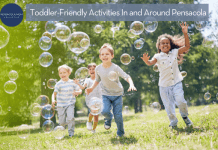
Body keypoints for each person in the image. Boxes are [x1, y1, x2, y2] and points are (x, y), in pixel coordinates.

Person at [141, 22, 193, 129]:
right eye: (162, 43)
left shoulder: (174, 52)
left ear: (170, 45)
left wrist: (185, 33)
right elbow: (151, 62)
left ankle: (185, 116)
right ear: (159, 46)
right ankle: (173, 122)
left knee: (181, 100)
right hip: (164, 86)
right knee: (169, 106)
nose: (165, 44)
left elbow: (187, 46)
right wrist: (147, 61)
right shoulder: (158, 56)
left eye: (167, 43)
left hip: (176, 82)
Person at [86, 43, 137, 137]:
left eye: (107, 54)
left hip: (117, 94)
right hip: (105, 94)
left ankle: (120, 133)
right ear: (100, 56)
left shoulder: (115, 67)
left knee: (118, 116)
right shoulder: (98, 68)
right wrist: (91, 88)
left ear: (112, 56)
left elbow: (126, 76)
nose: (105, 56)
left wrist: (131, 84)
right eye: (102, 54)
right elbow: (97, 80)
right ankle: (108, 118)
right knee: (104, 111)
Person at [52, 64, 82, 137]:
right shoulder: (58, 84)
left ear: (69, 73)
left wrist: (77, 92)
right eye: (60, 73)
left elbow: (80, 90)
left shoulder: (72, 82)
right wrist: (53, 99)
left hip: (70, 104)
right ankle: (62, 132)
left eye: (64, 72)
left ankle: (71, 133)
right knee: (61, 122)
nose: (62, 74)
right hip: (60, 105)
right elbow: (54, 93)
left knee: (70, 118)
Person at [74, 63, 102, 134]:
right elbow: (83, 87)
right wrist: (78, 84)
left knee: (96, 116)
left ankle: (94, 129)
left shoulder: (99, 79)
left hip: (98, 99)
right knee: (93, 111)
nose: (92, 70)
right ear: (88, 71)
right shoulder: (87, 80)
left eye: (93, 69)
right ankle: (89, 121)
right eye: (90, 69)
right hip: (90, 99)